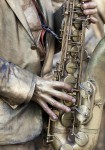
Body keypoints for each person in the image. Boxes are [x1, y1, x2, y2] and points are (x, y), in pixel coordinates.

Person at [0, 0, 97, 149]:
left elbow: (38, 36)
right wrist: (31, 86)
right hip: (7, 133)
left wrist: (71, 16)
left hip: (44, 125)